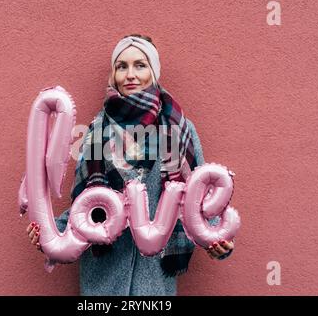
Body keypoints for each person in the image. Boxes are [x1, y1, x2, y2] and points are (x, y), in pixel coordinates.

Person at [25, 34, 235, 296]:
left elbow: (200, 198)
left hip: (154, 278)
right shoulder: (97, 131)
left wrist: (217, 238)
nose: (130, 74)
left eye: (140, 65)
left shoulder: (179, 129)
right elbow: (85, 202)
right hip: (103, 276)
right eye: (122, 66)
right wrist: (51, 232)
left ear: (154, 71)